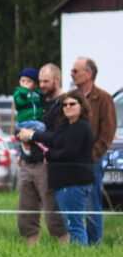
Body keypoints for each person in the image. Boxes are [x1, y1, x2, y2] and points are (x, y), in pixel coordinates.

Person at [20, 90, 94, 245]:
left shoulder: (80, 126)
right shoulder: (68, 126)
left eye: (72, 104)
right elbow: (55, 140)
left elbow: (70, 152)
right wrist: (34, 136)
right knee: (73, 224)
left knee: (74, 226)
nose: (67, 107)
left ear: (82, 106)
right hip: (66, 182)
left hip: (73, 183)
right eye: (65, 104)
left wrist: (50, 155)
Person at [16, 64, 69, 246]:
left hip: (48, 165)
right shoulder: (37, 101)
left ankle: (67, 254)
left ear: (57, 80)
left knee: (54, 212)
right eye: (40, 81)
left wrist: (32, 135)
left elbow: (58, 137)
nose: (42, 85)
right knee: (26, 211)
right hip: (27, 161)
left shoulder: (66, 103)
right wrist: (24, 144)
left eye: (46, 81)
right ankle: (32, 256)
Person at [69, 57, 117, 245]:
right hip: (70, 161)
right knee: (71, 204)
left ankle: (93, 248)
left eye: (75, 71)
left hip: (91, 162)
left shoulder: (104, 98)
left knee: (91, 204)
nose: (71, 74)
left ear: (89, 74)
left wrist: (91, 155)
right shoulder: (70, 97)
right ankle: (75, 245)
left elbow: (108, 133)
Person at [13, 67, 45, 142]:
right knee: (42, 127)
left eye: (29, 81)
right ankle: (40, 141)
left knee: (26, 139)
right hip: (24, 121)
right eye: (23, 81)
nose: (25, 83)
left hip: (35, 120)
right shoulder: (19, 93)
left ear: (35, 84)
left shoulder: (37, 93)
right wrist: (25, 90)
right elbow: (19, 103)